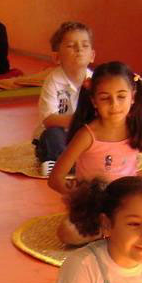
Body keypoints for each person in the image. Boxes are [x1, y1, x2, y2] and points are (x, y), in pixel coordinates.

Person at [48, 61, 142, 245]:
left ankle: (119, 229)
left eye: (121, 96)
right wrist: (80, 198)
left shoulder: (139, 130)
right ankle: (110, 231)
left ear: (133, 97)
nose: (114, 104)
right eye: (105, 98)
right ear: (94, 101)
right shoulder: (87, 135)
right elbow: (55, 179)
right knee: (68, 232)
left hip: (129, 203)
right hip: (95, 205)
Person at [33, 21, 95, 176]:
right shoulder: (53, 81)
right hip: (61, 134)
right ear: (57, 57)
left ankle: (79, 161)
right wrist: (79, 120)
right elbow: (49, 120)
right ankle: (61, 163)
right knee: (52, 136)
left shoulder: (95, 81)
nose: (79, 49)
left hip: (85, 134)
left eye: (85, 45)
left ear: (92, 56)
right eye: (71, 46)